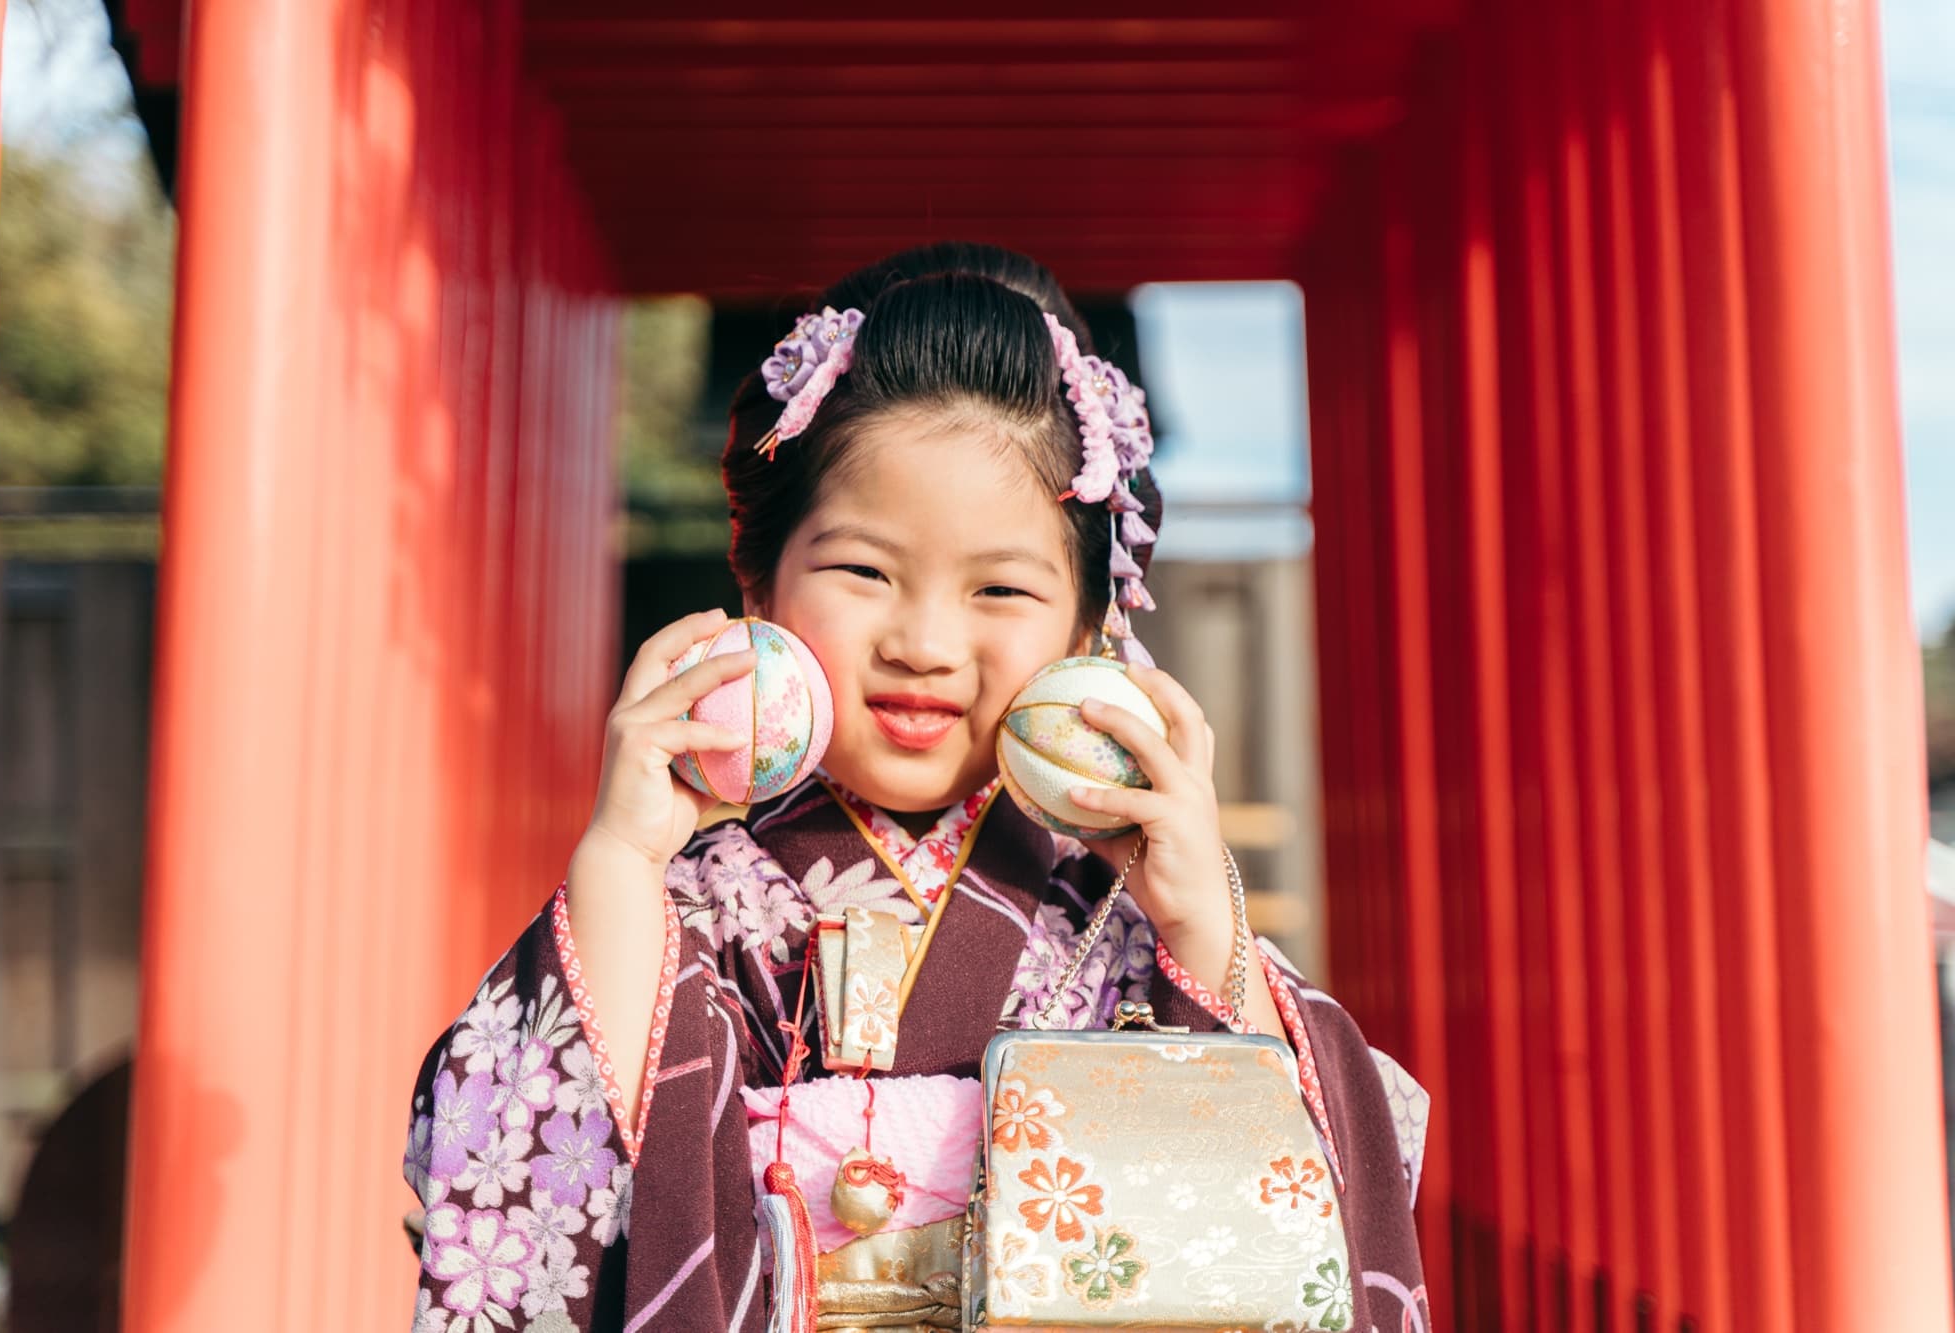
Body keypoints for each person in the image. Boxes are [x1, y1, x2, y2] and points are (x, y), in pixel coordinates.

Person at [404, 243, 1429, 1332]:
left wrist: (1199, 922)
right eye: (863, 572)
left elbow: (1303, 1218)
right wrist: (618, 863)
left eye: (998, 586)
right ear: (757, 582)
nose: (926, 643)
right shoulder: (693, 914)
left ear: (1091, 632)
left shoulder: (1130, 931)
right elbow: (514, 1169)